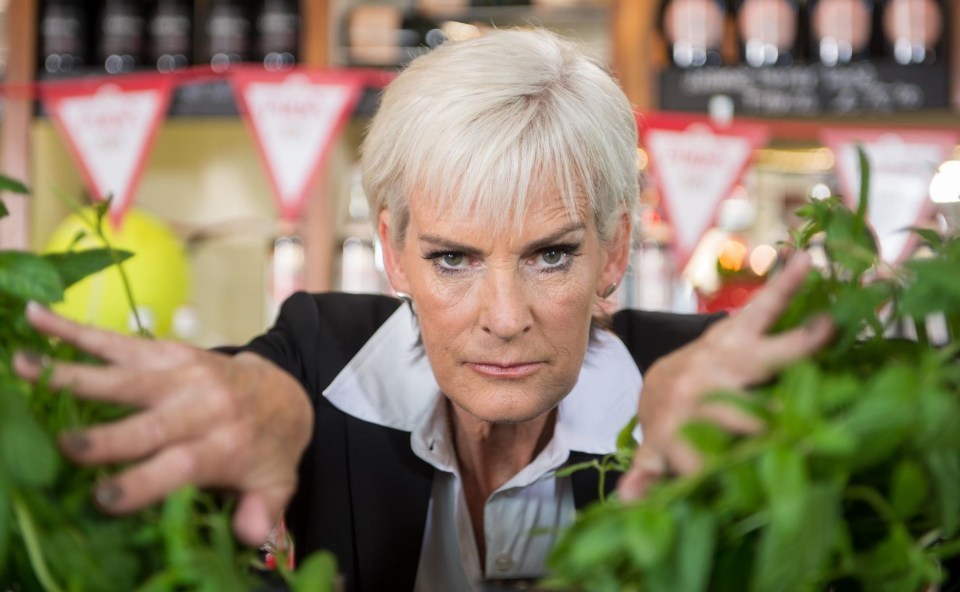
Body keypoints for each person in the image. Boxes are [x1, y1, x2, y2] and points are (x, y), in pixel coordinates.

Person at [12, 28, 833, 591]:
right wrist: (262, 404)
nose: (504, 316)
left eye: (552, 254)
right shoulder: (316, 354)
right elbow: (260, 394)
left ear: (614, 251)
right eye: (453, 258)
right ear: (392, 251)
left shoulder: (696, 377)